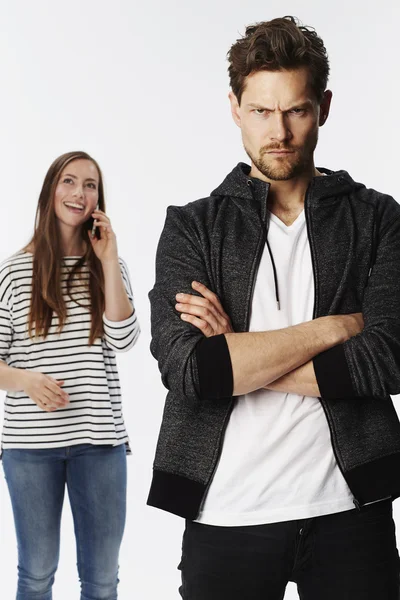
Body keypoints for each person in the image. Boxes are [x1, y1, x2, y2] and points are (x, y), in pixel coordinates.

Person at [148, 16, 400, 600]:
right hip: (225, 514)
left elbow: (389, 357)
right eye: (261, 111)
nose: (280, 131)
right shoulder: (192, 226)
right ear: (235, 107)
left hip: (350, 511)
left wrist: (239, 355)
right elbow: (190, 372)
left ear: (325, 107)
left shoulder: (377, 220)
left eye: (297, 110)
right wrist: (337, 327)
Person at [0, 150, 140, 600]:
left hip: (99, 444)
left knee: (101, 578)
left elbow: (124, 339)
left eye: (91, 185)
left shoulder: (109, 267)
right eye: (69, 181)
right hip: (29, 449)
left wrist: (109, 257)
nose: (79, 193)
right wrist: (25, 381)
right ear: (50, 191)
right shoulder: (14, 273)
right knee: (37, 573)